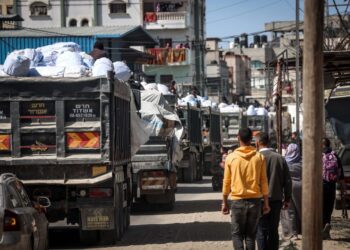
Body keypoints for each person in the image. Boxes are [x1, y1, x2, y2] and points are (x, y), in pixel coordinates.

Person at [222, 128, 270, 250]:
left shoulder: (231, 157)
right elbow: (264, 181)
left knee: (237, 235)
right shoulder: (259, 157)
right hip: (255, 202)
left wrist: (224, 202)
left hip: (237, 201)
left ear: (238, 138)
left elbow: (226, 182)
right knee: (250, 236)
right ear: (251, 139)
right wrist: (266, 203)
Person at [255, 132, 292, 250]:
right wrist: (287, 199)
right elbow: (287, 181)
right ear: (268, 142)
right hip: (276, 199)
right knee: (273, 230)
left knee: (261, 230)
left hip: (259, 200)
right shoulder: (279, 158)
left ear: (257, 143)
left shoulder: (254, 158)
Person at [322, 137, 345, 239]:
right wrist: (343, 188)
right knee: (329, 207)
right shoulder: (335, 155)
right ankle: (327, 226)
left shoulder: (318, 155)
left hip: (320, 185)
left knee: (320, 208)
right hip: (331, 185)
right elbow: (341, 173)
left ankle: (321, 229)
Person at [281, 143, 302, 240]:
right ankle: (305, 230)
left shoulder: (284, 162)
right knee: (301, 210)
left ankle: (293, 233)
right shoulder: (302, 162)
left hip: (288, 188)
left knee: (289, 211)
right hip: (301, 187)